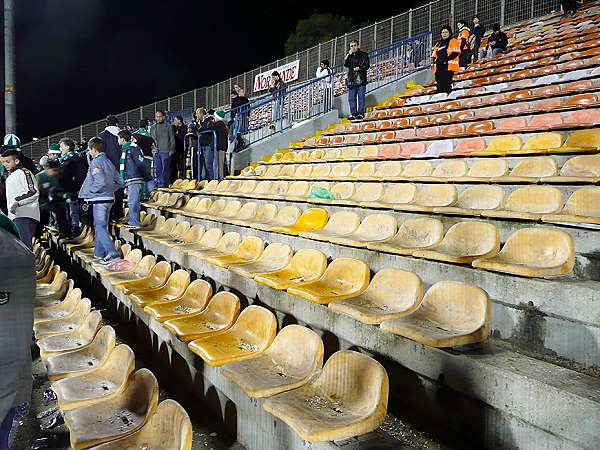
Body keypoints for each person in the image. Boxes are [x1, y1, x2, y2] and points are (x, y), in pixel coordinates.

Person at [78, 137, 122, 263]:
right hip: (109, 198)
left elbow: (100, 181)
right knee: (101, 226)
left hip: (99, 199)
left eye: (89, 150)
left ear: (94, 149)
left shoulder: (96, 163)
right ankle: (99, 253)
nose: (89, 152)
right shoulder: (109, 162)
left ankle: (112, 253)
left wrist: (91, 192)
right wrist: (110, 189)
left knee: (100, 227)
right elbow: (120, 182)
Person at [1, 148, 40, 250]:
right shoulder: (11, 176)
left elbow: (33, 192)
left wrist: (17, 202)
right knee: (21, 247)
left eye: (7, 161)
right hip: (17, 215)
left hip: (24, 214)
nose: (5, 164)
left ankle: (28, 266)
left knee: (24, 247)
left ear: (17, 161)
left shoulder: (24, 172)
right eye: (3, 162)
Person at [117, 130, 151, 228]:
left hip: (134, 178)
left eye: (118, 138)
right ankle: (133, 221)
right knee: (131, 201)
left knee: (133, 201)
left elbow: (141, 163)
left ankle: (135, 222)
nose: (117, 140)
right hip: (130, 179)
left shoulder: (133, 148)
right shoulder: (126, 149)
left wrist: (148, 178)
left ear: (122, 139)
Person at [58, 137, 87, 236]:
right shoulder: (63, 160)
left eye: (61, 146)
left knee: (72, 211)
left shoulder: (76, 159)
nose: (60, 149)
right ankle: (69, 230)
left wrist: (75, 188)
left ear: (67, 147)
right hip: (65, 190)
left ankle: (74, 229)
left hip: (72, 190)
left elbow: (80, 175)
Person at [98, 115, 124, 220]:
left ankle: (109, 214)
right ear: (117, 123)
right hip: (119, 167)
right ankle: (118, 213)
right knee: (118, 191)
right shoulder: (122, 134)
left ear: (106, 124)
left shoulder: (101, 136)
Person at [36, 159, 70, 236]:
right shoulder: (40, 177)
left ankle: (65, 232)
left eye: (58, 171)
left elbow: (63, 190)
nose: (56, 173)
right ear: (47, 169)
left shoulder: (60, 176)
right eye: (54, 170)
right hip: (43, 200)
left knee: (61, 212)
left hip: (56, 199)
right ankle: (37, 235)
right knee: (43, 216)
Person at [344, 40, 370, 120]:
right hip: (351, 79)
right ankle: (353, 114)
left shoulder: (364, 54)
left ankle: (360, 114)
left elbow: (367, 66)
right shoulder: (350, 56)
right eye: (351, 46)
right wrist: (348, 55)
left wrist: (360, 68)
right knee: (351, 98)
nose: (353, 47)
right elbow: (346, 64)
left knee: (361, 97)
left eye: (354, 45)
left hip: (361, 78)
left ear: (358, 46)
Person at [150, 110, 176, 188]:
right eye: (157, 116)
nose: (158, 118)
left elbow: (172, 139)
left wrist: (171, 150)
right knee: (158, 169)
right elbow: (151, 140)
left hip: (166, 151)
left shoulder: (168, 126)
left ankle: (165, 184)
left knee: (166, 169)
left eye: (160, 116)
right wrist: (153, 149)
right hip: (156, 152)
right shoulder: (153, 127)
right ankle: (160, 184)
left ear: (163, 117)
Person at [432, 26, 460, 94]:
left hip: (448, 67)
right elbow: (434, 55)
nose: (444, 34)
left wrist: (445, 60)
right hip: (439, 68)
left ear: (449, 33)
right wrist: (435, 61)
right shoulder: (438, 43)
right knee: (439, 86)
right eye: (442, 32)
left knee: (446, 85)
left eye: (446, 32)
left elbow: (456, 53)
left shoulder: (453, 40)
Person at [172, 115, 187, 181]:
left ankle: (182, 177)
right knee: (176, 164)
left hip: (182, 148)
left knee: (182, 163)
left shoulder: (184, 127)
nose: (174, 122)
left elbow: (182, 138)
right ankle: (176, 178)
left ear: (179, 120)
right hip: (176, 149)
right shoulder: (176, 128)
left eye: (175, 120)